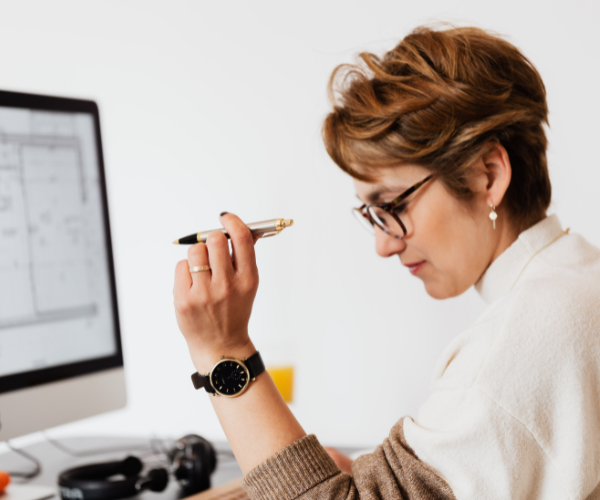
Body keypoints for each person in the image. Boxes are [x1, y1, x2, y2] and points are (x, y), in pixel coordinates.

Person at [173, 25, 600, 499]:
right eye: (370, 214)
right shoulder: (579, 280)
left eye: (392, 205)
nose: (383, 245)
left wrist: (223, 350)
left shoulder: (520, 342)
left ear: (488, 174)